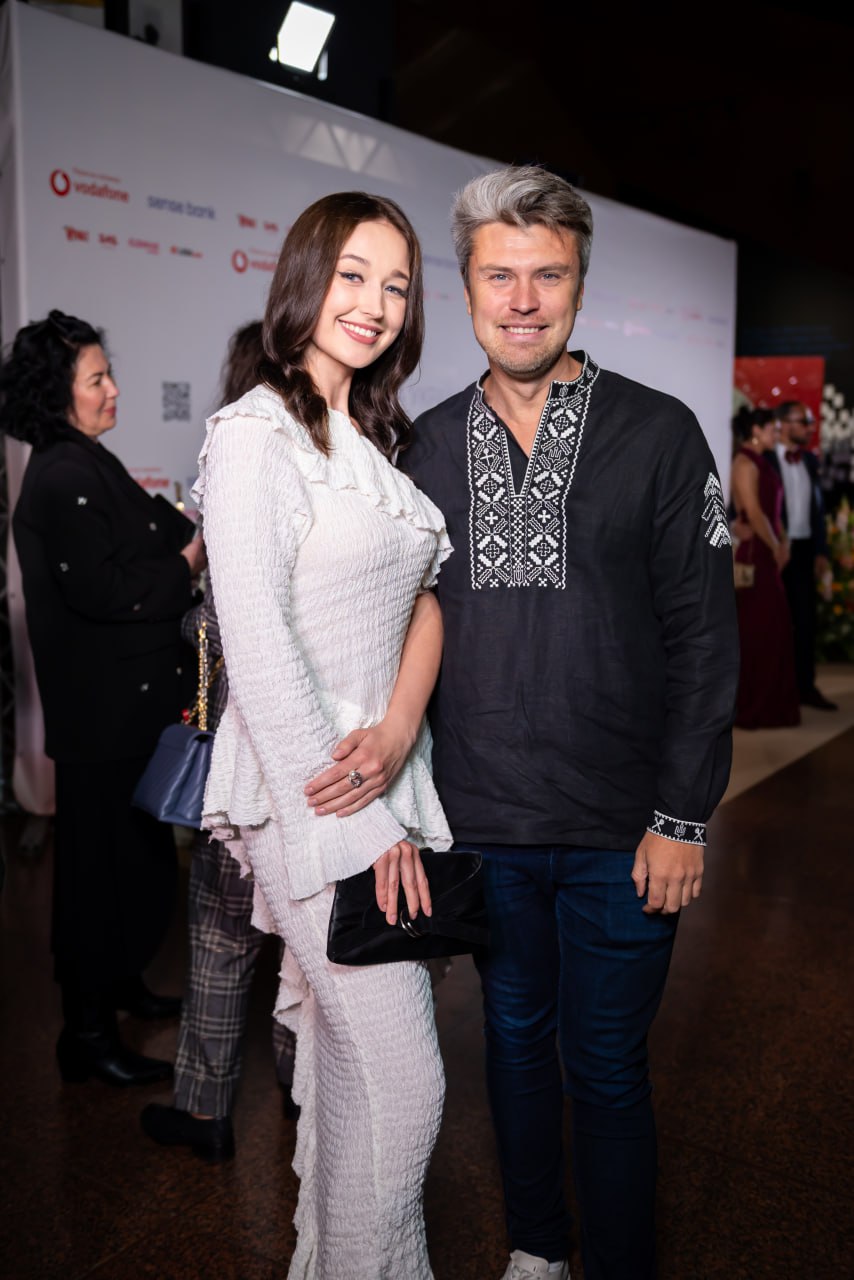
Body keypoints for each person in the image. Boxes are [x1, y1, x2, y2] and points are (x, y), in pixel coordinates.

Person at [399, 167, 740, 1280]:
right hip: (484, 826)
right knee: (510, 1045)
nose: (523, 299)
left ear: (580, 286)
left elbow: (704, 640)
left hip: (621, 832)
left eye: (547, 274)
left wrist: (681, 816)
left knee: (604, 1064)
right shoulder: (424, 446)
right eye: (499, 275)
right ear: (465, 288)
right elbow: (398, 637)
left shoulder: (658, 432)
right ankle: (538, 1247)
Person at [193, 193, 453, 1277]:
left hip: (376, 780)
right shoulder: (253, 433)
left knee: (352, 1072)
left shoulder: (372, 441)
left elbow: (425, 600)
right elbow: (256, 653)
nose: (375, 304)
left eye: (395, 286)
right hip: (313, 797)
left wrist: (397, 729)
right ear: (306, 276)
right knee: (408, 1082)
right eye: (353, 275)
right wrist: (360, 823)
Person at [1, 310, 206, 1086]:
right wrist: (189, 561)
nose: (114, 389)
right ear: (57, 394)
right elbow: (106, 591)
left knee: (132, 861)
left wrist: (192, 530)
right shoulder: (63, 476)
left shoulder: (87, 461)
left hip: (127, 711)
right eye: (97, 379)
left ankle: (121, 987)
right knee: (96, 875)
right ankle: (86, 1035)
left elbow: (156, 526)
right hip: (101, 718)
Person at [142, 321, 298, 1163]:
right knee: (308, 947)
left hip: (246, 760)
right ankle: (306, 1092)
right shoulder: (337, 466)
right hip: (321, 760)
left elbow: (217, 626)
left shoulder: (240, 469)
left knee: (220, 932)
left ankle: (204, 1110)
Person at [730, 408, 800, 728]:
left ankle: (772, 704)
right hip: (756, 554)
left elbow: (773, 513)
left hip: (769, 550)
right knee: (757, 631)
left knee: (774, 630)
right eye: (773, 428)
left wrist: (782, 542)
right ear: (756, 430)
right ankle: (753, 705)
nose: (777, 433)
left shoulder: (763, 462)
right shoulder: (744, 463)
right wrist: (775, 547)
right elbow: (755, 513)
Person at [767, 400, 836, 710]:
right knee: (772, 621)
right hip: (773, 549)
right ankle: (775, 690)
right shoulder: (765, 458)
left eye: (810, 422)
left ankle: (806, 687)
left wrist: (821, 550)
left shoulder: (809, 460)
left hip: (804, 548)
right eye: (803, 421)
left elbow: (817, 509)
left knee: (806, 621)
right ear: (782, 424)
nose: (810, 428)